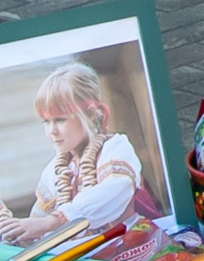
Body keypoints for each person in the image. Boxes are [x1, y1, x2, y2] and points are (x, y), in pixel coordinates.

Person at [0, 61, 161, 242]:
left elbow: (112, 191)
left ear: (91, 115)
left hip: (133, 246)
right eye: (46, 122)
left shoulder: (115, 148)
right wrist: (17, 231)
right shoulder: (54, 171)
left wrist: (51, 222)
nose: (52, 131)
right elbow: (38, 222)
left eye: (60, 120)